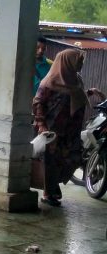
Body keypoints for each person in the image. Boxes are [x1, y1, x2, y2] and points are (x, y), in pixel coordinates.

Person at [32, 49, 88, 207]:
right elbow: (38, 102)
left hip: (71, 130)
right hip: (53, 130)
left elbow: (75, 97)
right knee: (51, 161)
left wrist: (88, 93)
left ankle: (53, 186)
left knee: (71, 158)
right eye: (78, 61)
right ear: (67, 61)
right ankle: (48, 192)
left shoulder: (76, 79)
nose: (81, 64)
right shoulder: (50, 81)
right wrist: (41, 124)